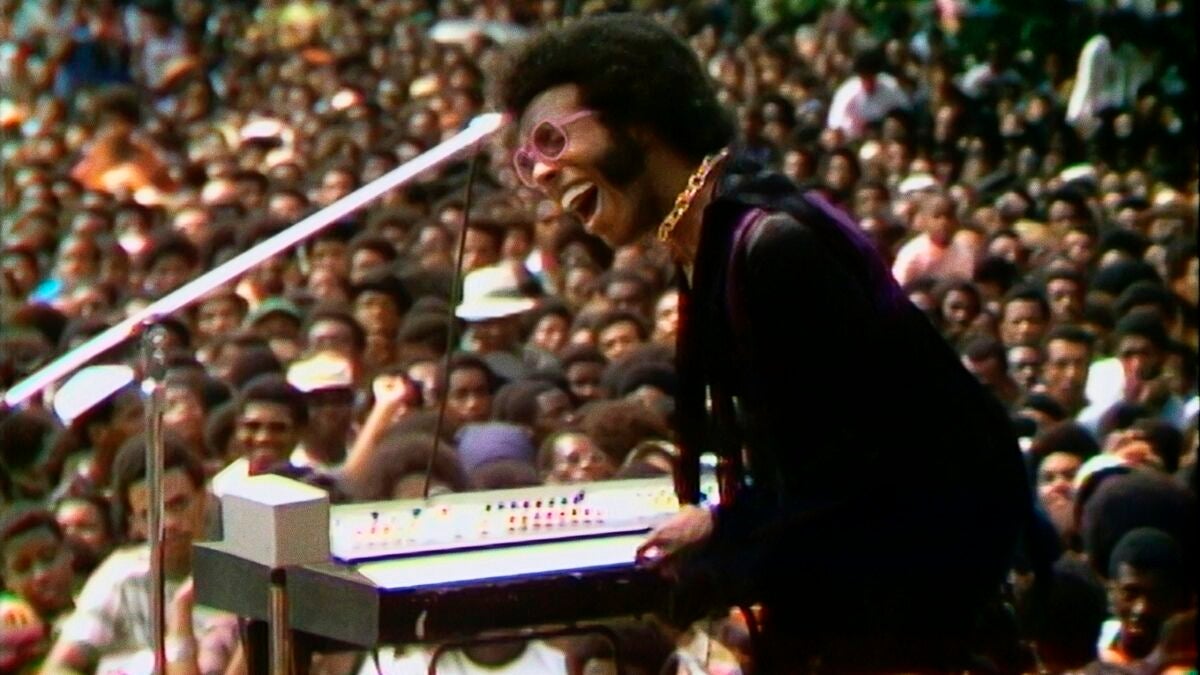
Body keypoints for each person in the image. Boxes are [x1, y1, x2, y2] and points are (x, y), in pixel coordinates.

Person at [498, 14, 1029, 672]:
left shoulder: (772, 245)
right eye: (527, 162)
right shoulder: (709, 235)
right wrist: (724, 520)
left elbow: (857, 472)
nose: (543, 175)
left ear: (637, 118)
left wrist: (728, 540)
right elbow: (805, 459)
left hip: (912, 599)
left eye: (551, 140)